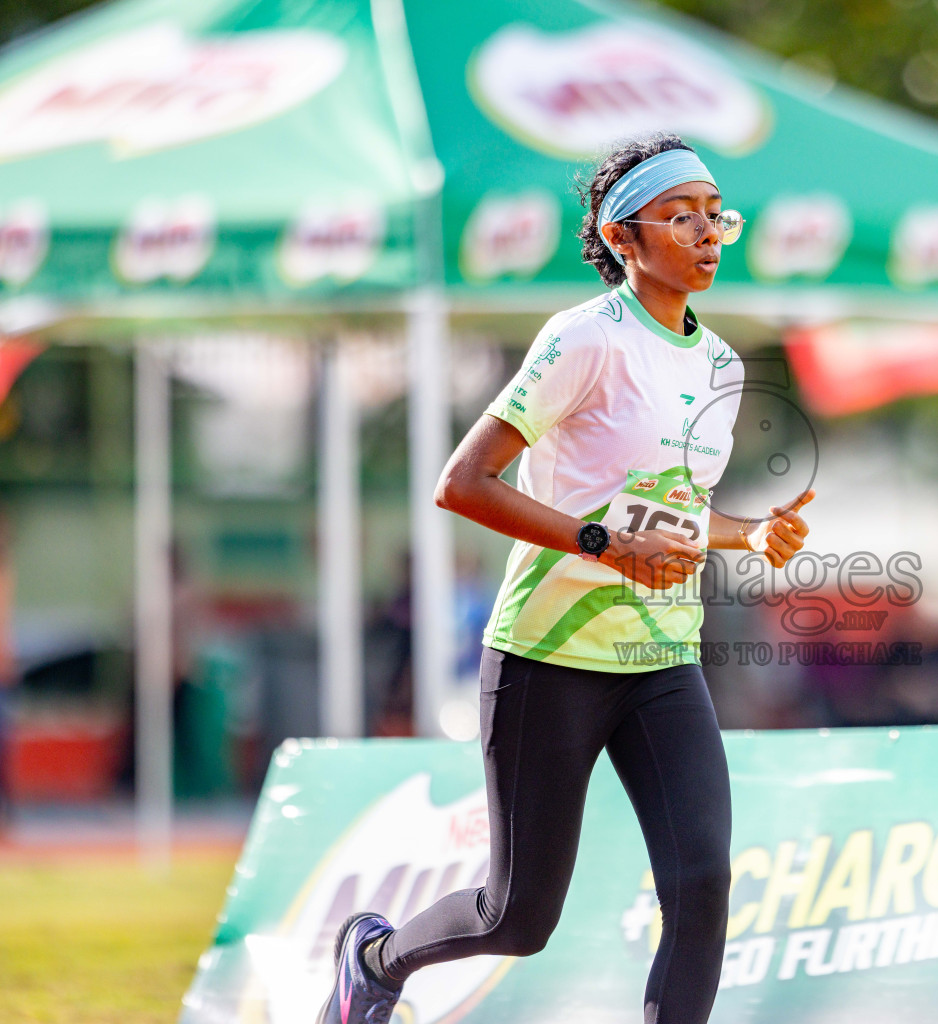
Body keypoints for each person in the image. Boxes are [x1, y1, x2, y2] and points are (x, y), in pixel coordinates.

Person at [315, 132, 814, 1024]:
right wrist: (600, 544)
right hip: (551, 653)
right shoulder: (583, 340)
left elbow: (670, 512)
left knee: (701, 886)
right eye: (682, 216)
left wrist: (750, 536)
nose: (707, 234)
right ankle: (377, 963)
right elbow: (462, 484)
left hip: (663, 655)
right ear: (624, 238)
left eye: (717, 217)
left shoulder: (723, 366)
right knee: (518, 918)